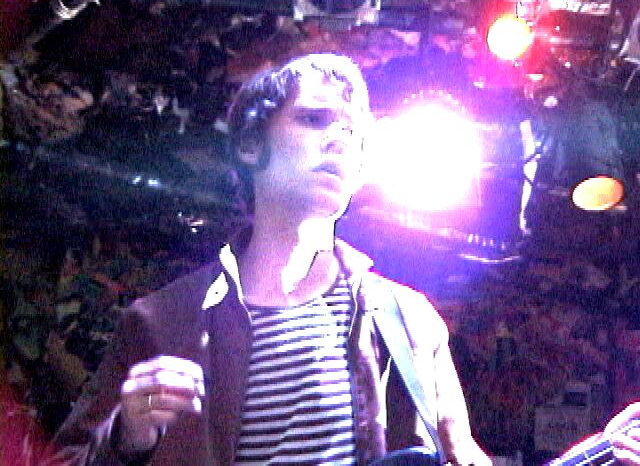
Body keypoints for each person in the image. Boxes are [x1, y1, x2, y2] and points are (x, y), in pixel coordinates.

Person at [47, 53, 490, 465]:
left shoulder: (411, 320)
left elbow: (464, 454)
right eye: (314, 119)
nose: (339, 139)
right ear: (250, 144)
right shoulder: (160, 322)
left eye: (353, 132)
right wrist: (124, 438)